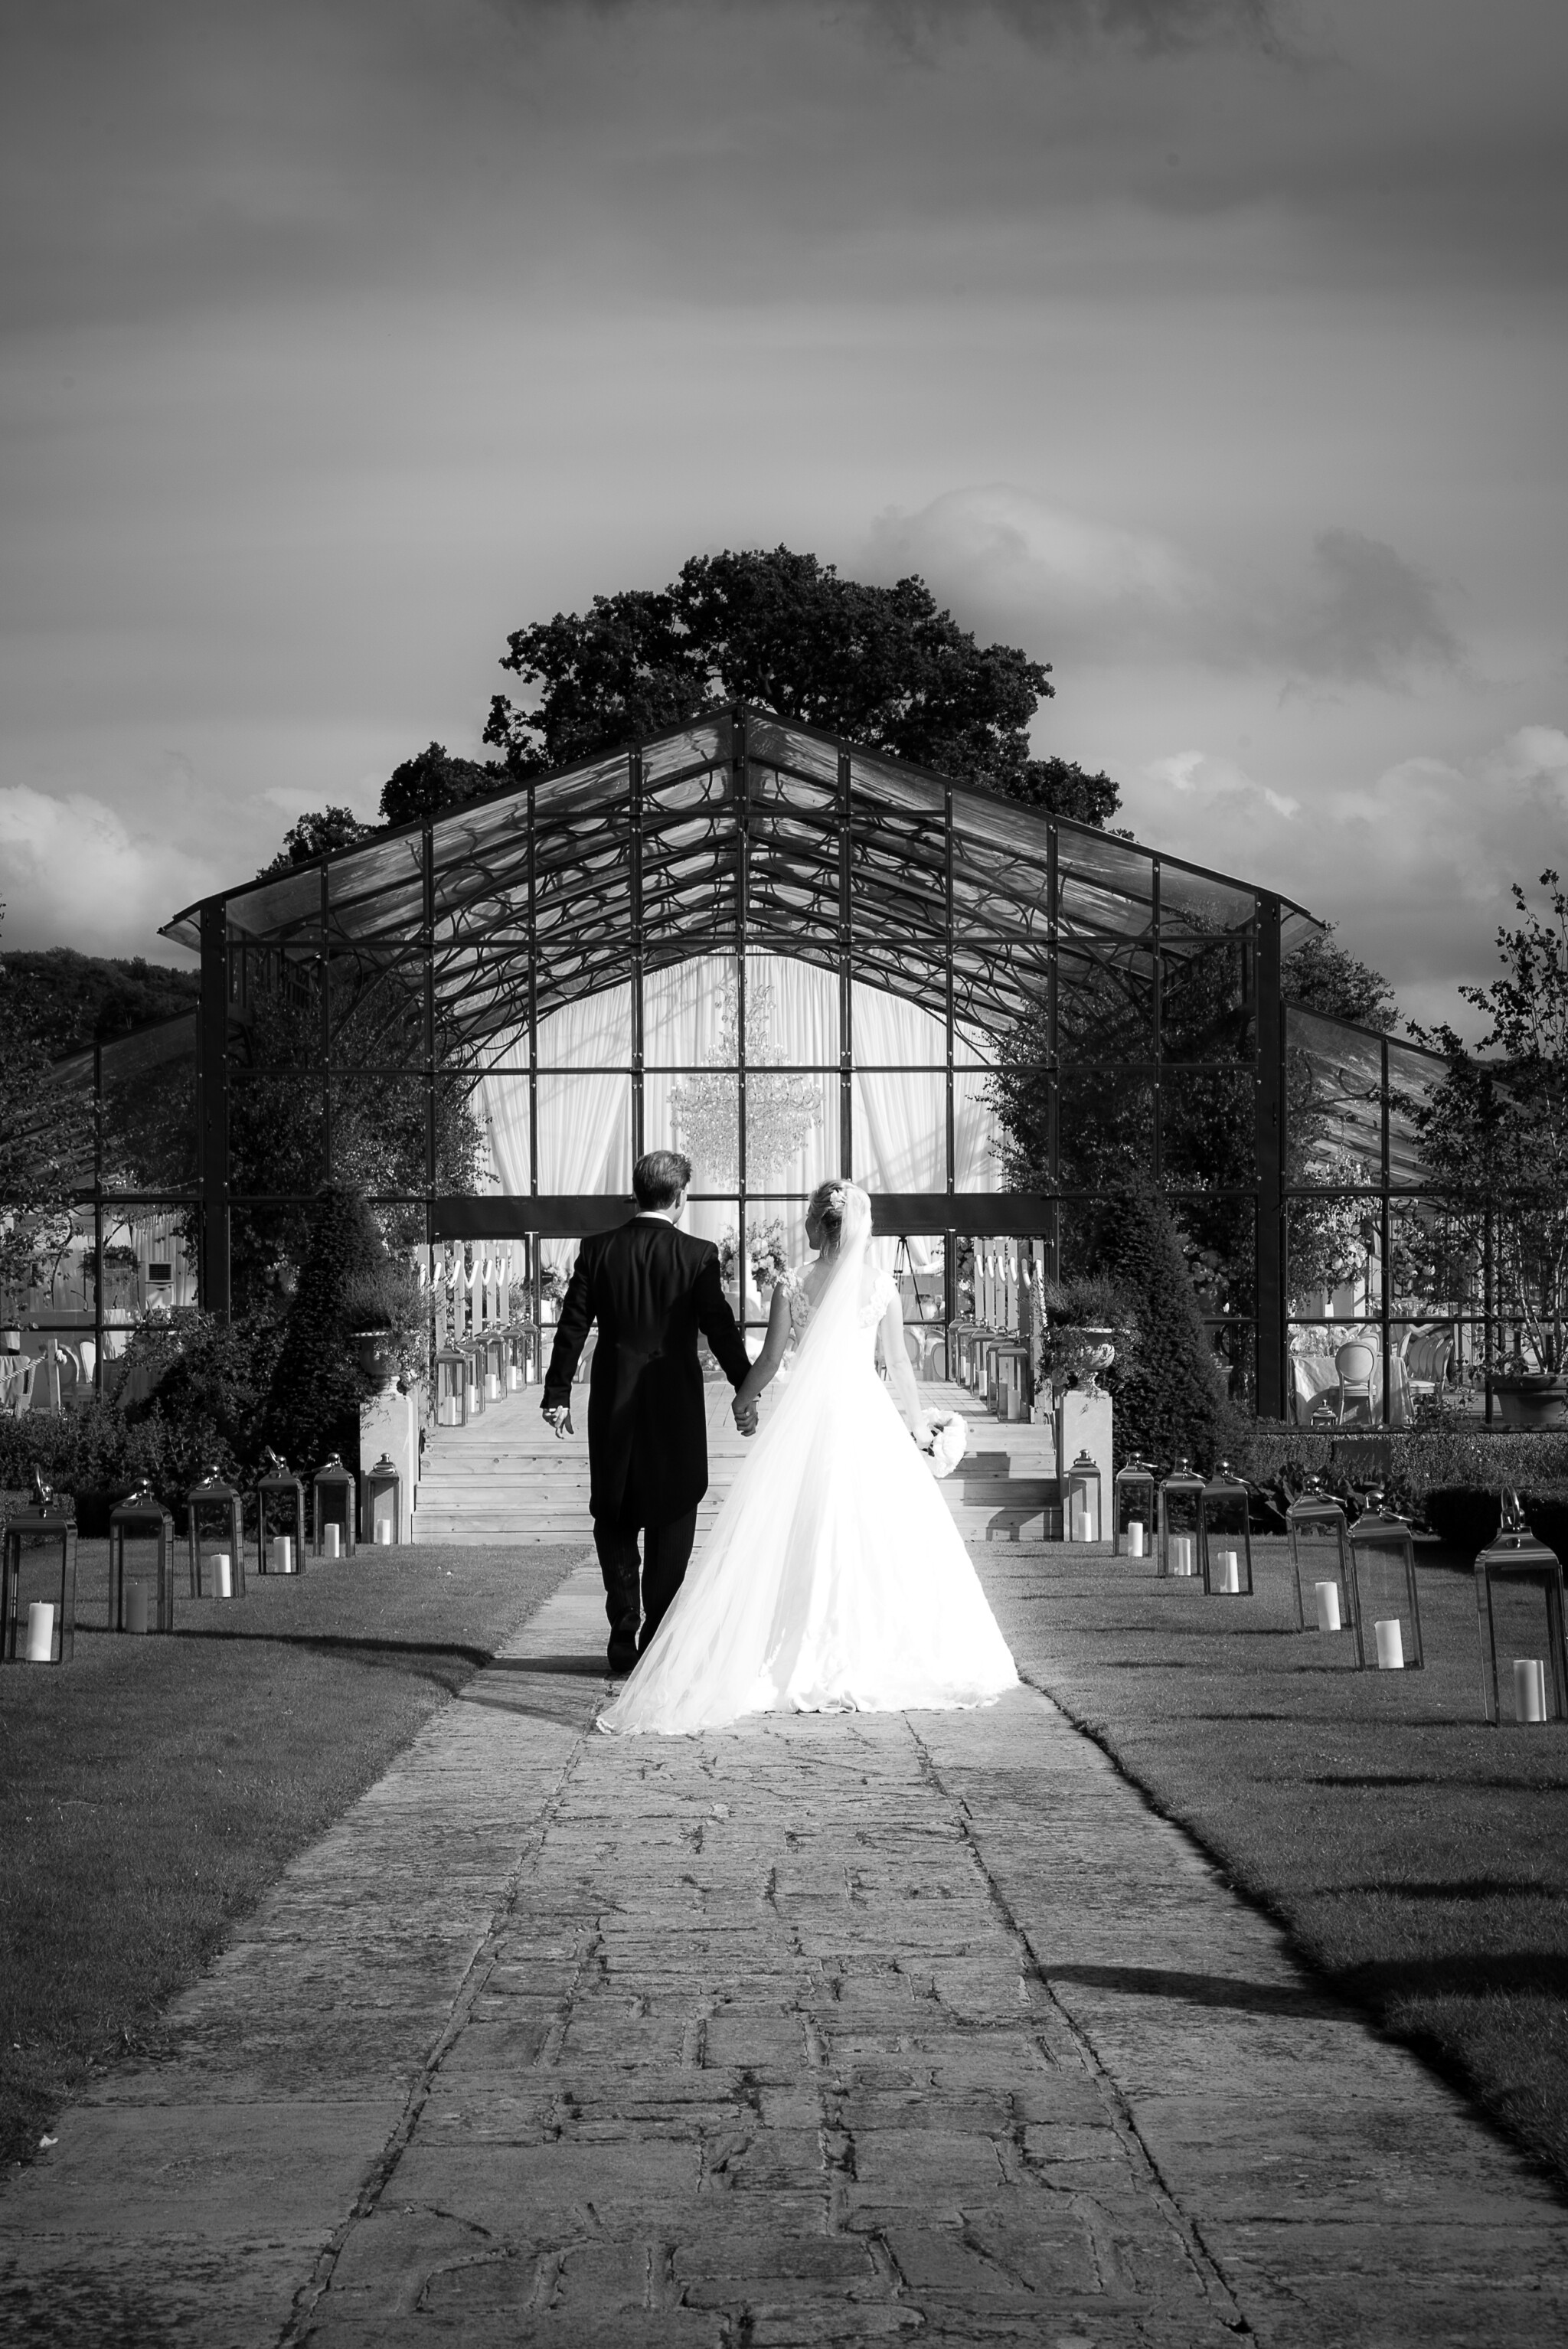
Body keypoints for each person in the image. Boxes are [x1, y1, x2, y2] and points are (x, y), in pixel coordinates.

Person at [599, 1179, 1018, 1735]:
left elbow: (771, 1360)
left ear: (817, 1223)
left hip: (808, 1417)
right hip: (866, 1416)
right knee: (875, 1532)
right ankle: (879, 1646)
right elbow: (899, 1363)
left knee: (798, 1525)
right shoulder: (881, 1288)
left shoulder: (792, 1283)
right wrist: (917, 1425)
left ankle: (789, 1645)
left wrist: (744, 1403)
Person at [541, 1149, 756, 1674]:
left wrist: (557, 1393)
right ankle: (657, 1635)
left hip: (612, 1398)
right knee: (675, 1509)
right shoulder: (698, 1254)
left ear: (637, 1193)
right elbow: (719, 1327)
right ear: (680, 1197)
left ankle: (623, 1629)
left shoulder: (598, 1250)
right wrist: (745, 1387)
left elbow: (572, 1326)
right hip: (675, 1403)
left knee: (613, 1511)